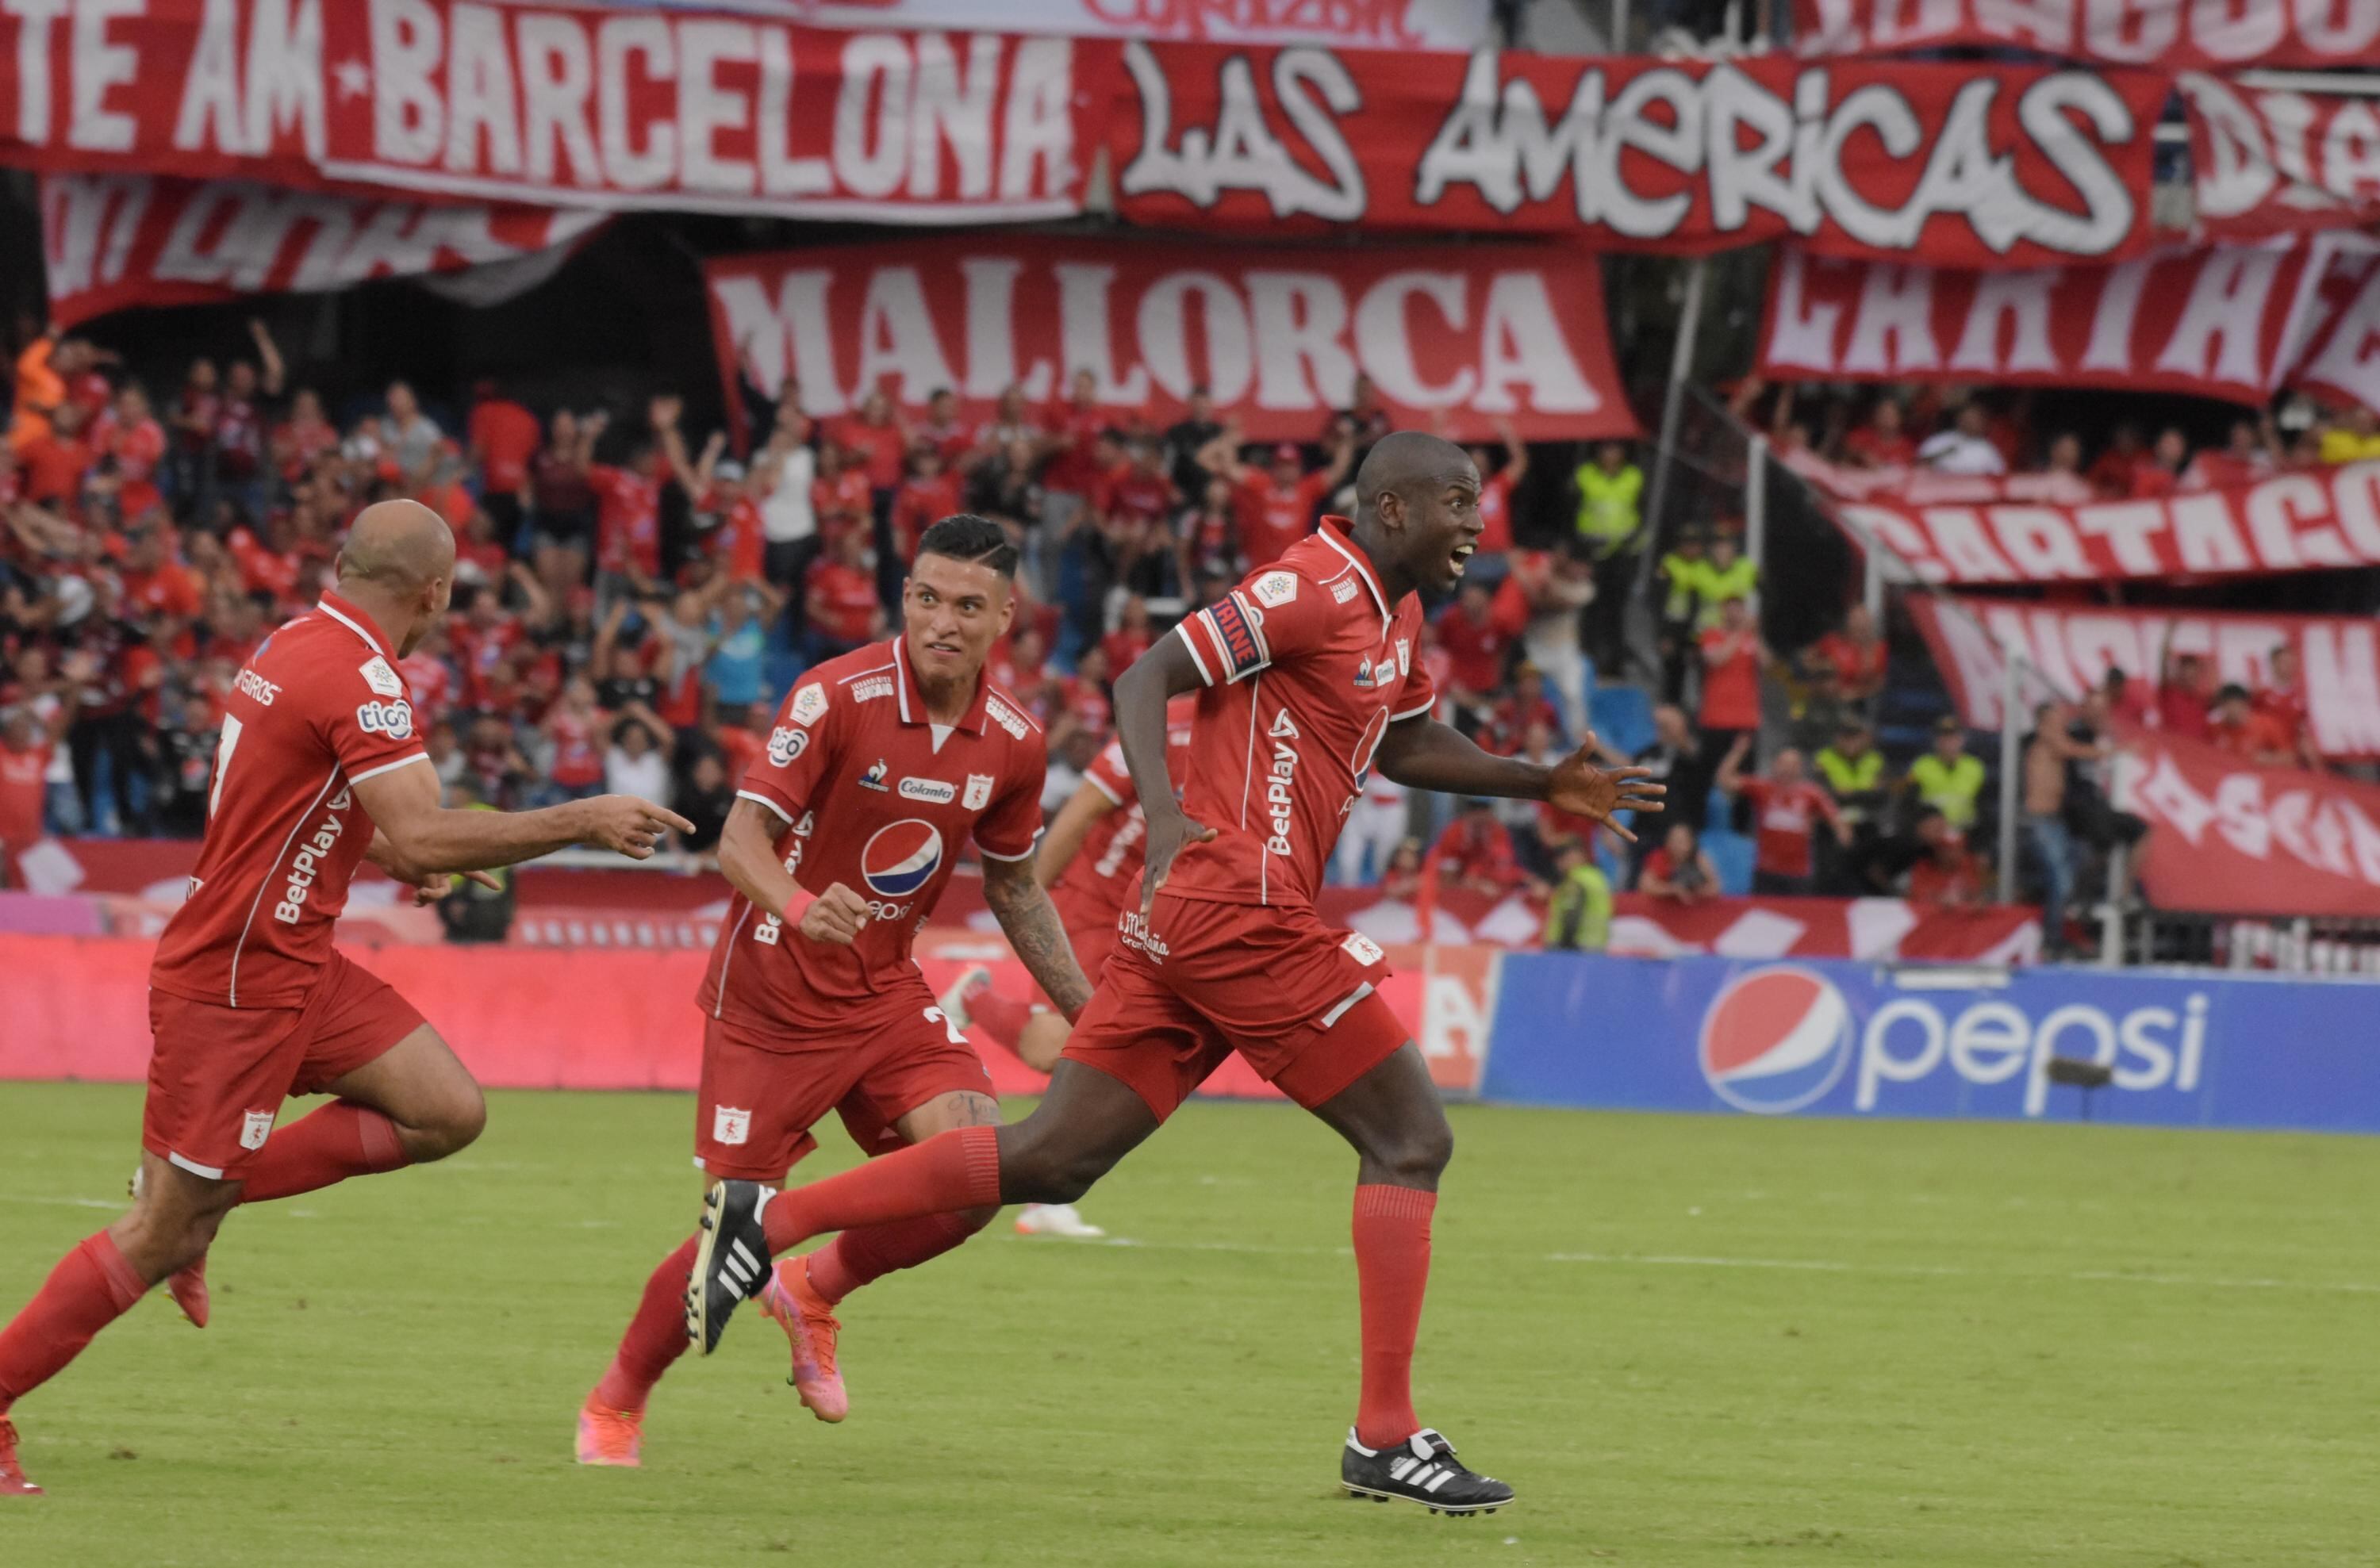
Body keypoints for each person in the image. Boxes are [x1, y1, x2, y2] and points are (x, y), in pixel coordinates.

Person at [684, 432, 1662, 1515]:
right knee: (1411, 1138)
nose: (1479, 525)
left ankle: (773, 1239)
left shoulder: (1396, 614)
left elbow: (1407, 742)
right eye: (1460, 504)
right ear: (1393, 510)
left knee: (1053, 1160)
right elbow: (1152, 670)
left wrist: (1539, 782)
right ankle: (1385, 1434)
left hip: (1211, 918)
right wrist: (1163, 812)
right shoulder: (1308, 585)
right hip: (1238, 905)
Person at [0, 501, 686, 1497]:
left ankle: (204, 1193)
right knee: (160, 1234)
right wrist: (583, 818)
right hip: (238, 978)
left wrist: (405, 853)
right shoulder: (363, 678)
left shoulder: (295, 641)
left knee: (444, 1110)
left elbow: (343, 816)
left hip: (295, 959)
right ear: (436, 593)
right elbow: (425, 830)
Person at [577, 516, 1094, 1463]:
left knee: (978, 1168)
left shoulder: (1013, 742)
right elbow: (739, 843)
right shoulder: (835, 695)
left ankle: (816, 1290)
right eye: (926, 598)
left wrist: (1090, 1011)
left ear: (1006, 617)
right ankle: (618, 1399)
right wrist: (800, 903)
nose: (941, 621)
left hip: (883, 993)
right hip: (770, 999)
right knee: (731, 1249)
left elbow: (1016, 886)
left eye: (967, 606)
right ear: (906, 597)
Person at [939, 696, 1200, 1240]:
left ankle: (975, 1001)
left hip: (1135, 912)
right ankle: (975, 1001)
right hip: (1087, 901)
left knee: (1079, 1049)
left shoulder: (1243, 735)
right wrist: (1025, 904)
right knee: (1060, 1048)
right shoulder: (1161, 722)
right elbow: (1079, 812)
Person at [1716, 737, 1846, 899]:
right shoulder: (1762, 788)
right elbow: (1724, 780)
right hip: (1767, 871)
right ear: (1775, 765)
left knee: (1798, 918)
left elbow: (1834, 817)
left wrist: (1841, 833)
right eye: (1783, 764)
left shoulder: (1811, 793)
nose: (1787, 769)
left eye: (1792, 765)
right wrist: (1738, 752)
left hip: (1798, 872)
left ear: (1800, 768)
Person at [1904, 715, 1986, 833]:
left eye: (1953, 737)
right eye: (1944, 737)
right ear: (1936, 741)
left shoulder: (1975, 767)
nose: (1948, 742)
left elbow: (1982, 807)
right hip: (1932, 834)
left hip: (1965, 832)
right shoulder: (1921, 766)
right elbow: (1909, 803)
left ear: (1962, 740)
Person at [1540, 835, 1611, 951]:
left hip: (1574, 948)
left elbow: (1571, 917)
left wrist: (1565, 947)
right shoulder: (1597, 877)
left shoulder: (1575, 880)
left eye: (1561, 857)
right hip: (1597, 946)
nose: (1557, 863)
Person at [1637, 821, 1717, 902]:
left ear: (1691, 843)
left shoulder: (1698, 858)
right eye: (1674, 840)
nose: (1678, 846)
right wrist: (1673, 889)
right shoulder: (1660, 857)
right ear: (1667, 842)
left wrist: (1696, 892)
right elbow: (1645, 886)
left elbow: (1715, 887)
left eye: (1682, 841)